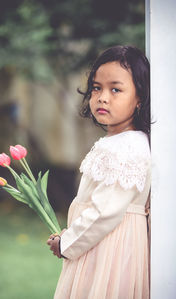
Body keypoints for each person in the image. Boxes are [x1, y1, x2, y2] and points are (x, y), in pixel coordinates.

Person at [47, 45, 151, 299]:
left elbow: (105, 212)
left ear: (139, 98)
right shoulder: (119, 141)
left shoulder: (128, 146)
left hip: (109, 250)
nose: (103, 97)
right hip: (97, 243)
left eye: (116, 89)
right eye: (97, 87)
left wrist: (68, 242)